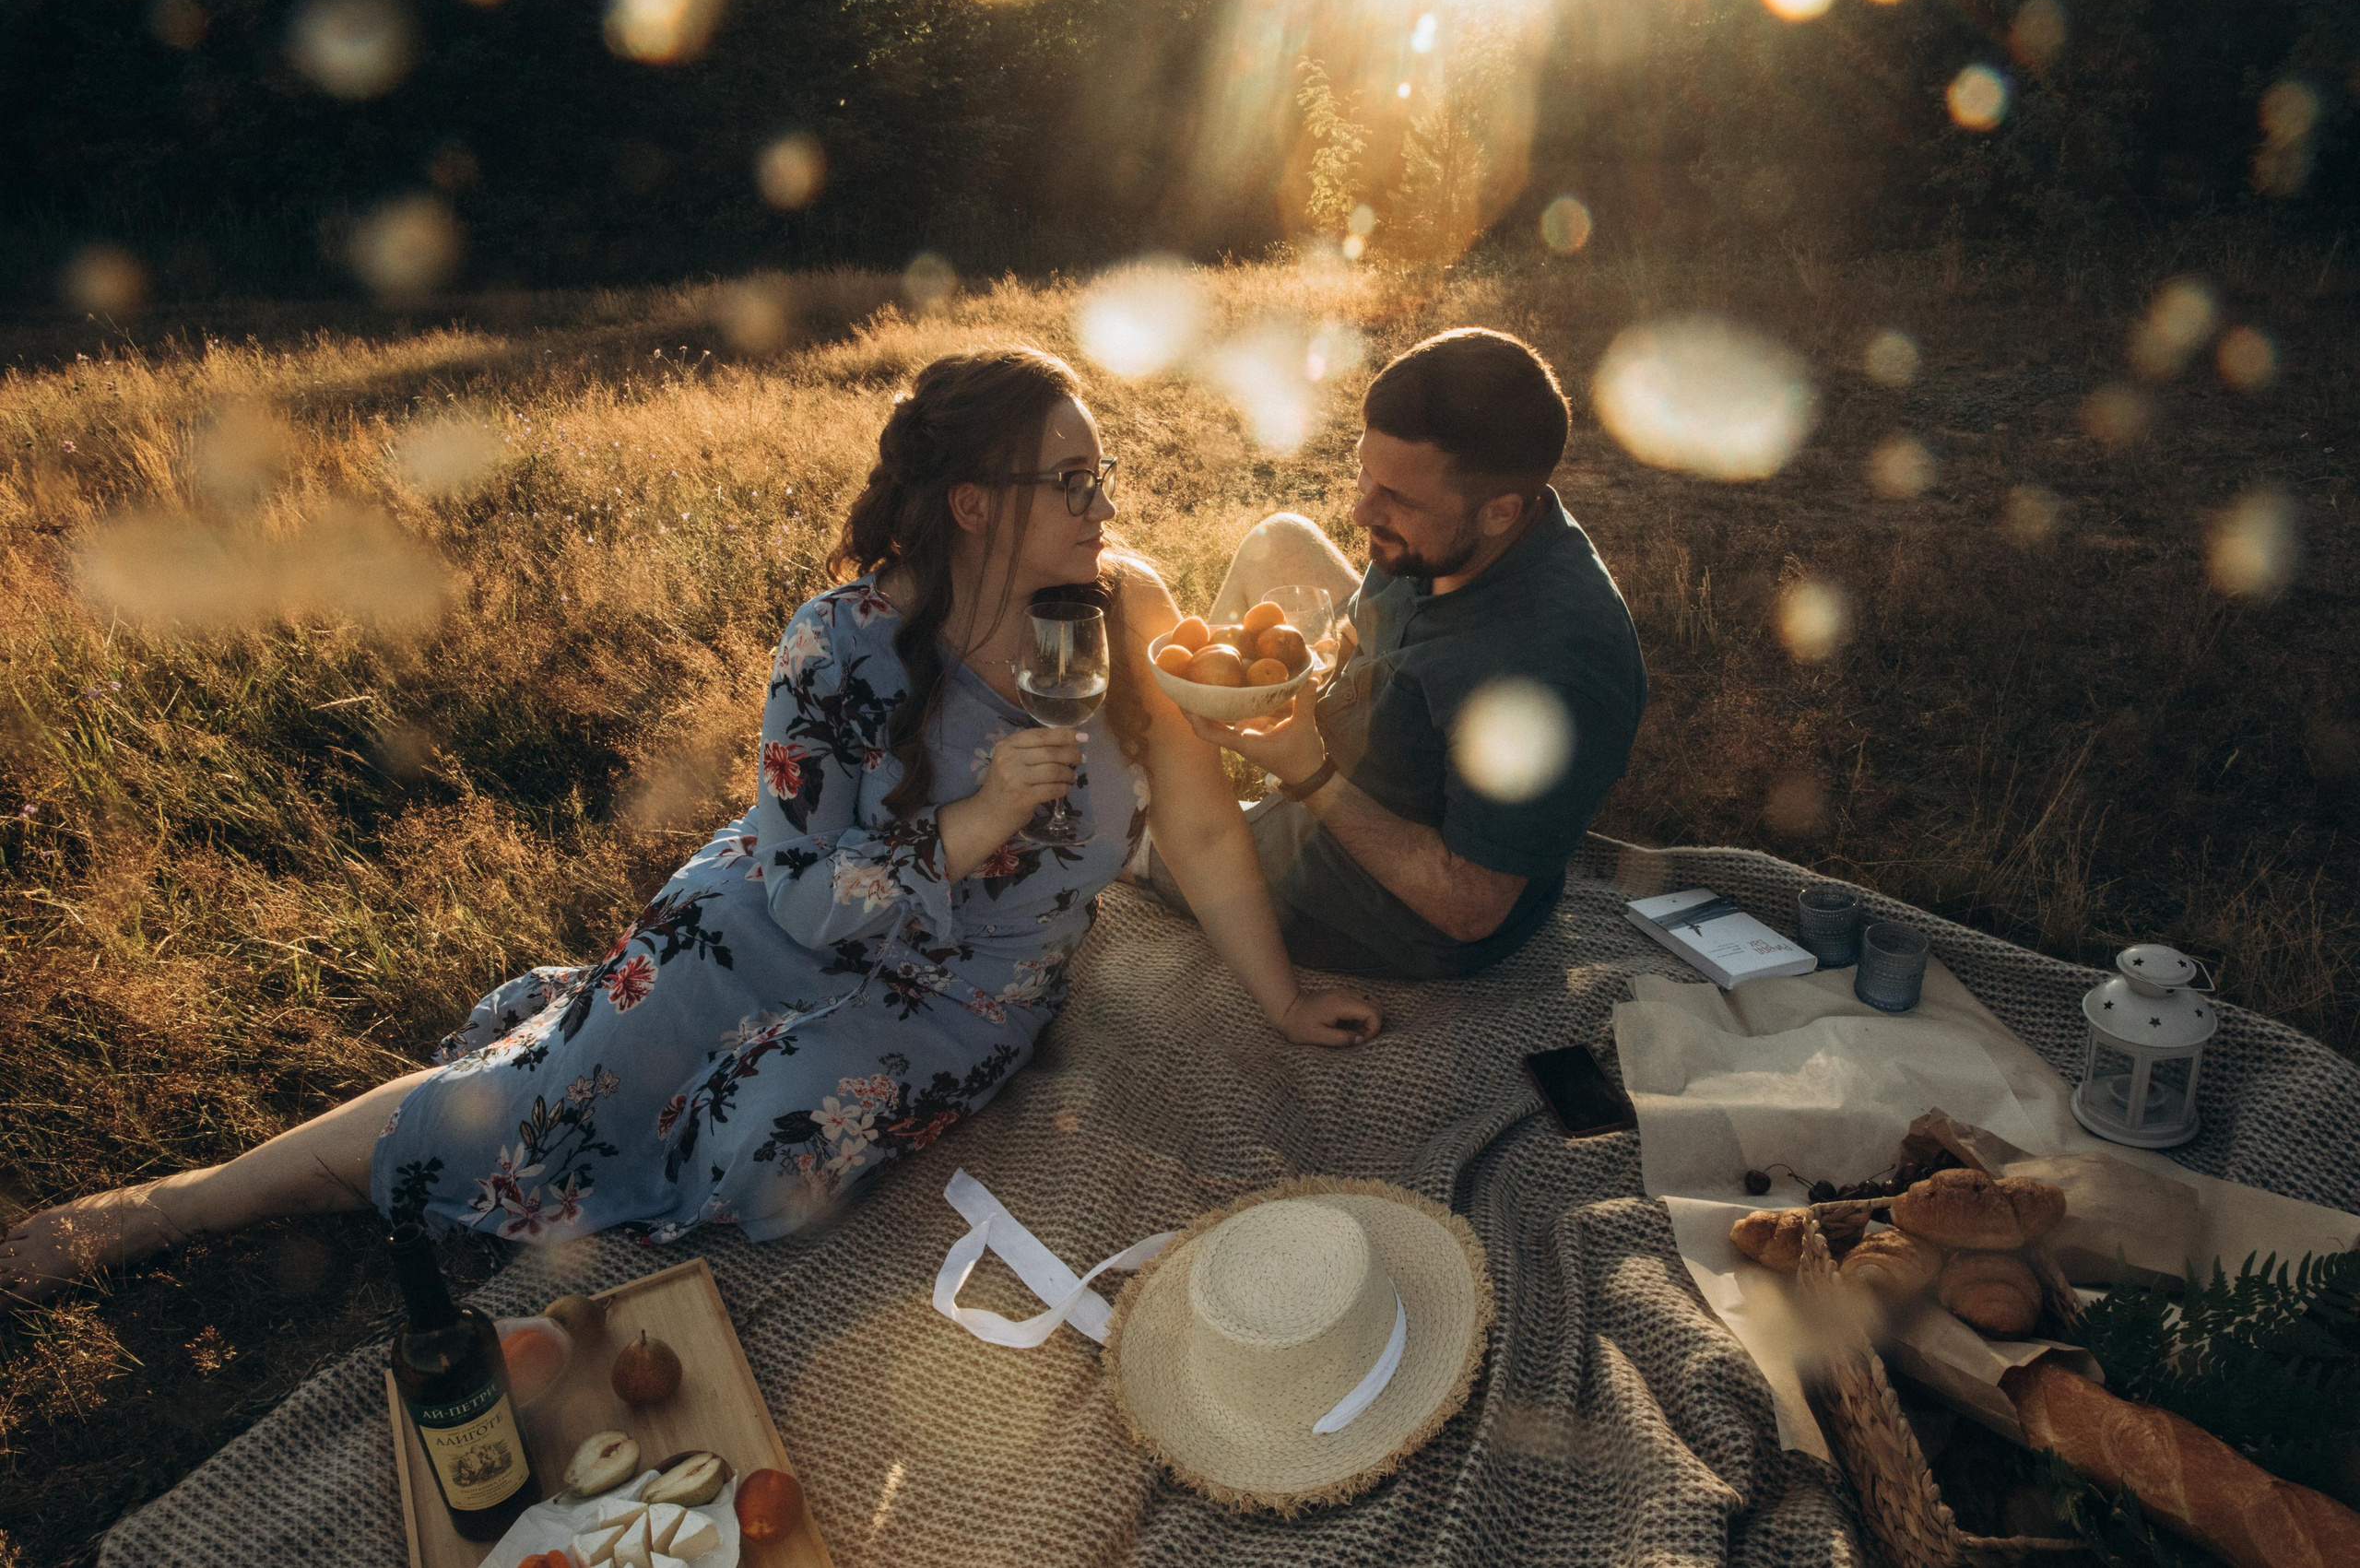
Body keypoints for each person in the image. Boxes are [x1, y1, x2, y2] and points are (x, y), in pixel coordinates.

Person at [1, 348, 1379, 1302]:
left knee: (775, 1166)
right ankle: (188, 1199)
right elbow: (794, 895)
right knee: (518, 1104)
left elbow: (1198, 833)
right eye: (1074, 482)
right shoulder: (837, 644)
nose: (1107, 507)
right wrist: (974, 819)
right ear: (976, 505)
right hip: (761, 933)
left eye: (1106, 477)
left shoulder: (1123, 603)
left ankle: (596, 1070)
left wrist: (1282, 996)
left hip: (963, 995)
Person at [1142, 327, 1646, 980]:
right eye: (1364, 470)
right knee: (1281, 538)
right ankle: (1203, 766)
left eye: (1398, 498)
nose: (1360, 510)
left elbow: (1470, 909)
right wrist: (1328, 657)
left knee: (1141, 833)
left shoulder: (1551, 669)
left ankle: (1179, 817)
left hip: (1380, 909)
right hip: (1378, 747)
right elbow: (1375, 621)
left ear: (1500, 512)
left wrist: (1310, 774)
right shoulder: (1455, 536)